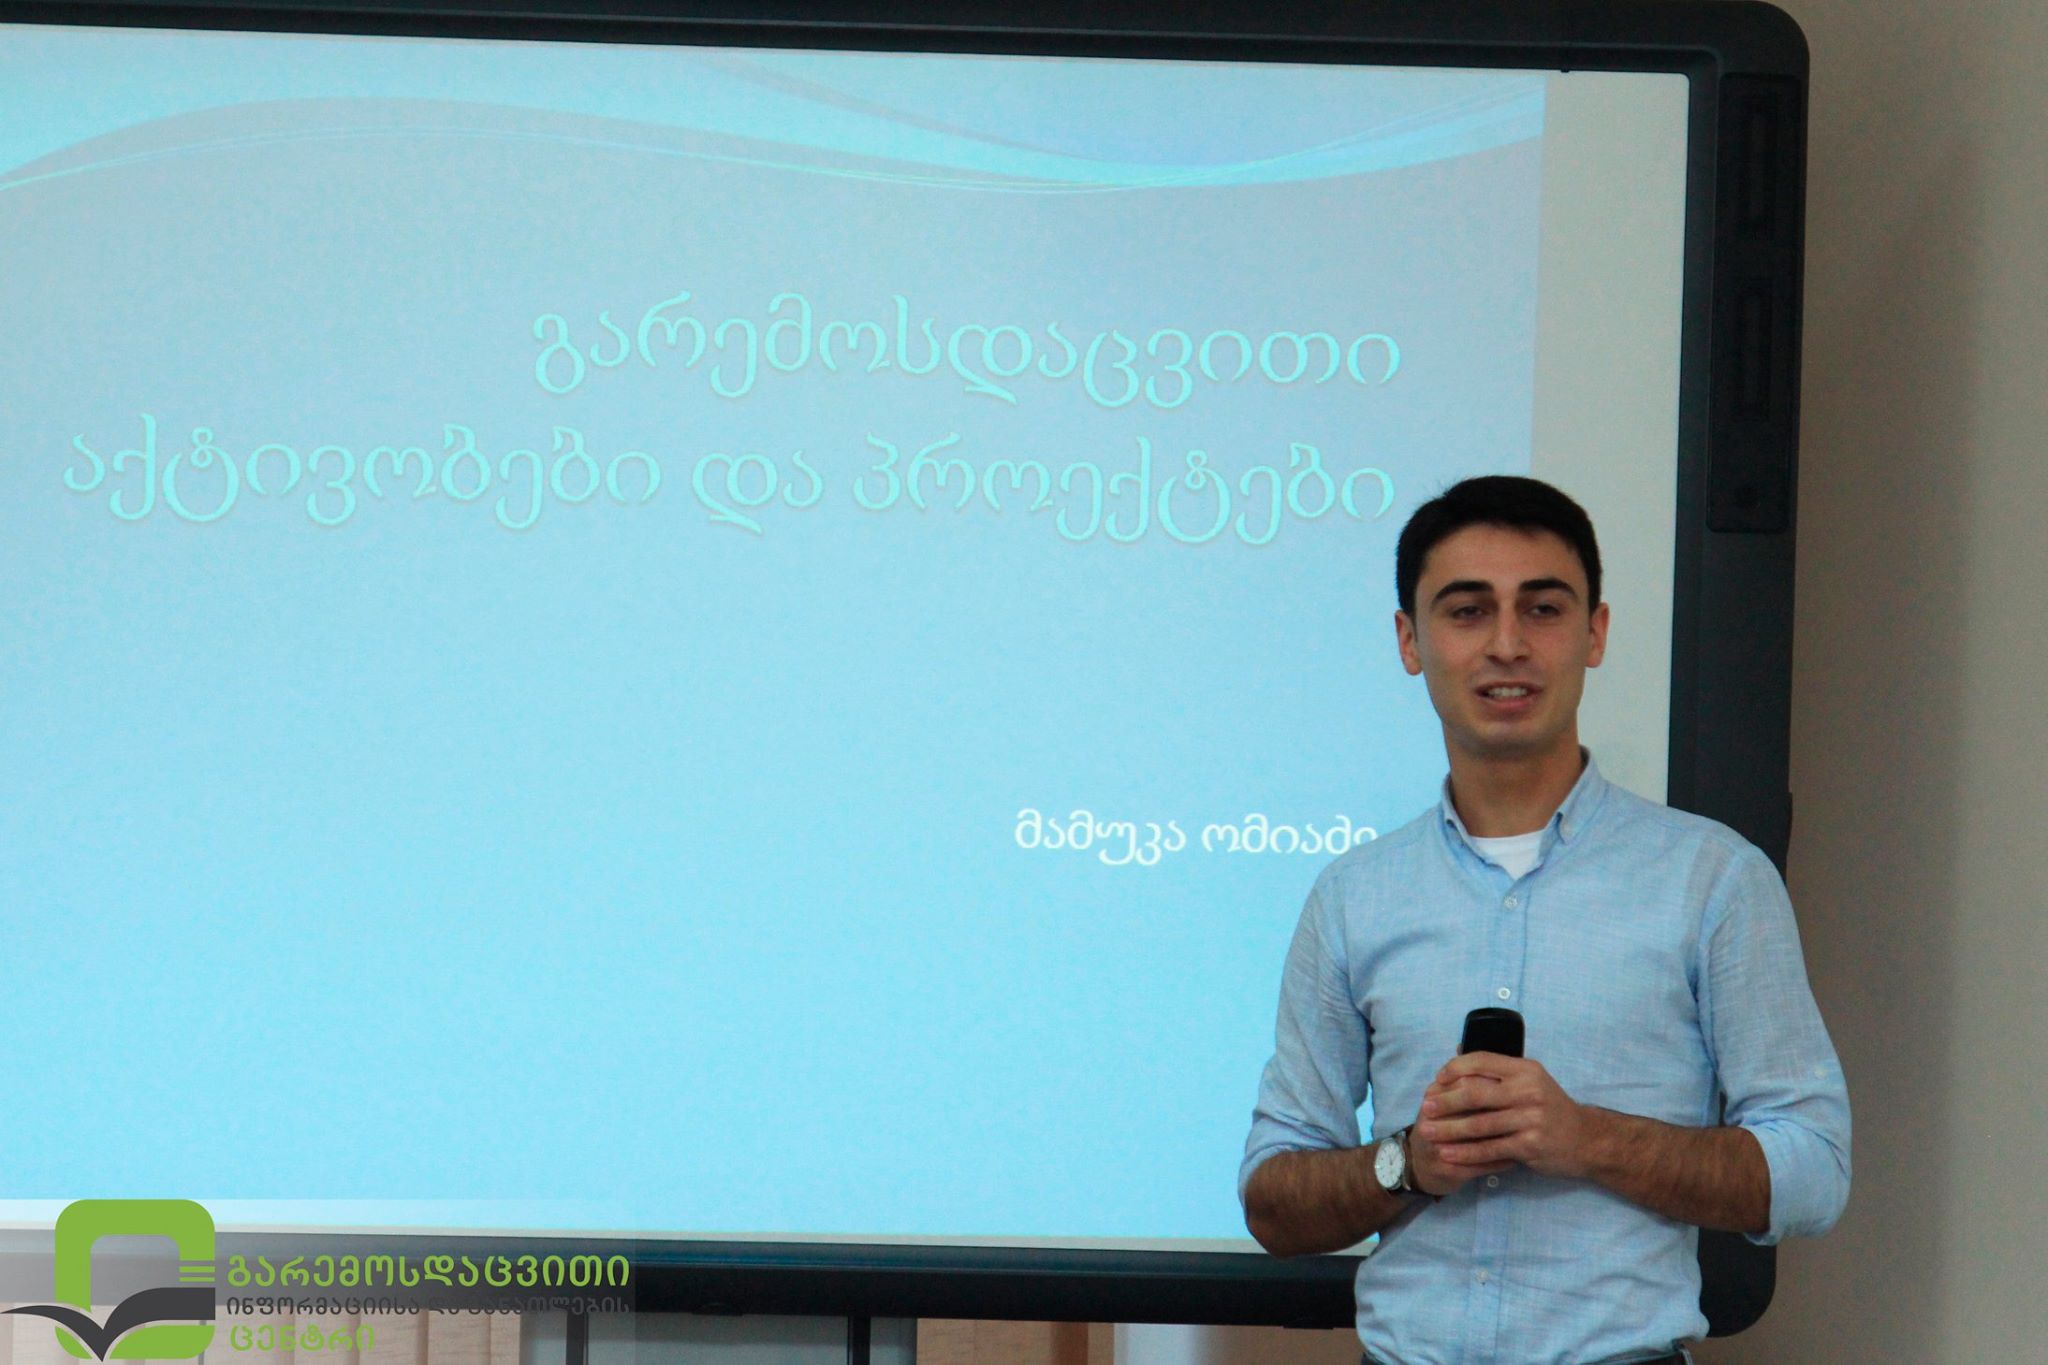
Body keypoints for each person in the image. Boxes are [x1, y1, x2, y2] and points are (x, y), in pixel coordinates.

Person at [1237, 476, 1850, 1365]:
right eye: (1467, 610)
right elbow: (1272, 1196)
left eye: (1543, 608)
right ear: (1410, 640)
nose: (1507, 644)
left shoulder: (1713, 878)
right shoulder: (1353, 895)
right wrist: (1408, 1162)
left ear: (1594, 632)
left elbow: (1814, 1169)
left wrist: (1586, 1137)